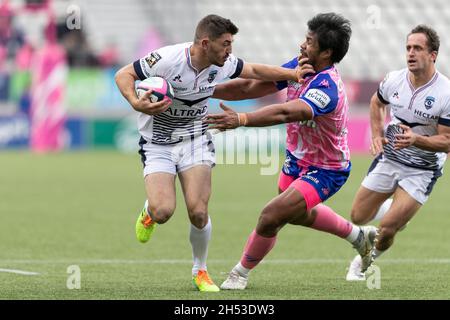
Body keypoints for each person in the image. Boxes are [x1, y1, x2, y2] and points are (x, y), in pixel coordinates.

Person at [115, 14, 298, 292]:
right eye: (225, 44)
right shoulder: (166, 59)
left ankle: (200, 270)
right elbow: (123, 74)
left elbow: (256, 71)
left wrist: (293, 74)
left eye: (231, 44)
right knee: (163, 210)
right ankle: (150, 212)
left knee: (198, 212)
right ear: (204, 43)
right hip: (158, 143)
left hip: (195, 141)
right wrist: (135, 102)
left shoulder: (222, 64)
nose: (230, 50)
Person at [206, 12, 377, 290]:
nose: (301, 45)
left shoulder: (327, 86)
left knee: (270, 216)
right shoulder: (301, 67)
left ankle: (239, 274)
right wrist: (205, 90)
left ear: (327, 51)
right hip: (296, 160)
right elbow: (250, 86)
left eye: (309, 41)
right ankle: (359, 237)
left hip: (327, 169)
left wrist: (241, 119)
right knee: (292, 214)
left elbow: (287, 112)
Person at [345, 25, 450, 280]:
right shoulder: (394, 79)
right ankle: (397, 208)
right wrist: (378, 134)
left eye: (418, 48)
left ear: (433, 55)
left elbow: (447, 141)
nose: (411, 53)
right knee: (358, 216)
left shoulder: (445, 93)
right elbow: (376, 102)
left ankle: (362, 263)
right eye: (408, 48)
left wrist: (415, 140)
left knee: (387, 229)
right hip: (390, 158)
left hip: (422, 170)